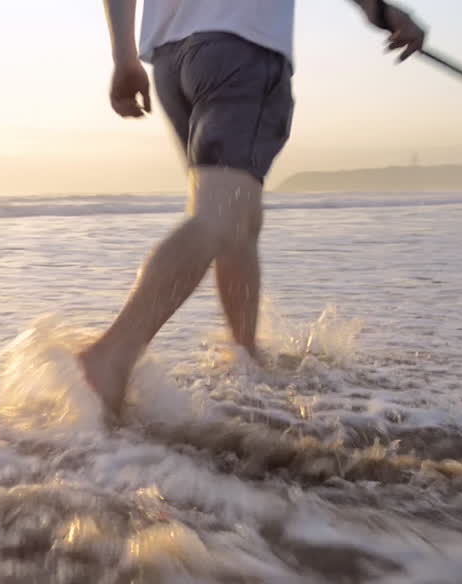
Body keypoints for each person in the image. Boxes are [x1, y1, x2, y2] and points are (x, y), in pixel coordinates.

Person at [78, 0, 426, 420]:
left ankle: (244, 358)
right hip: (241, 45)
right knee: (222, 213)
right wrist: (384, 14)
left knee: (239, 216)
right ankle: (112, 354)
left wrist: (124, 59)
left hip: (172, 59)